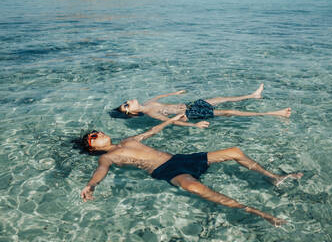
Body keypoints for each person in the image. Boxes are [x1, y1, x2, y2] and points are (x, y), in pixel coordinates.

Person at [80, 114, 303, 226]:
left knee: (234, 151)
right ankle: (260, 213)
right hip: (166, 171)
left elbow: (153, 130)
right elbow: (101, 172)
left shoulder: (129, 139)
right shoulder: (108, 157)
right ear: (91, 147)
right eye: (93, 136)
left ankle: (274, 178)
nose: (98, 133)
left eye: (97, 131)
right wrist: (91, 186)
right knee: (194, 187)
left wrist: (173, 119)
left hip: (180, 159)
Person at [113, 84, 291, 128]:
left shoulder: (148, 103)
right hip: (191, 113)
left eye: (126, 101)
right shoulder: (151, 113)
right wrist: (193, 124)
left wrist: (175, 94)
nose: (128, 100)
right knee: (228, 112)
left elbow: (161, 96)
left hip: (189, 104)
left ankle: (253, 95)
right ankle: (276, 113)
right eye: (126, 104)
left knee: (221, 98)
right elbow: (171, 122)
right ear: (132, 112)